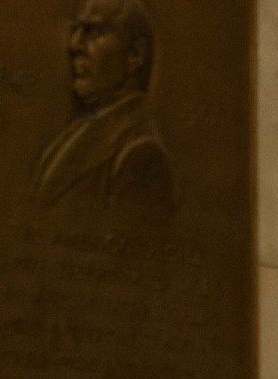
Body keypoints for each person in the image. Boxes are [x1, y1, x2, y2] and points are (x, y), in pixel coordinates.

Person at [33, 0, 175, 231]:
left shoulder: (141, 156)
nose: (74, 44)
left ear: (135, 55)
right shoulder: (74, 133)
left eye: (93, 32)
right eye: (76, 30)